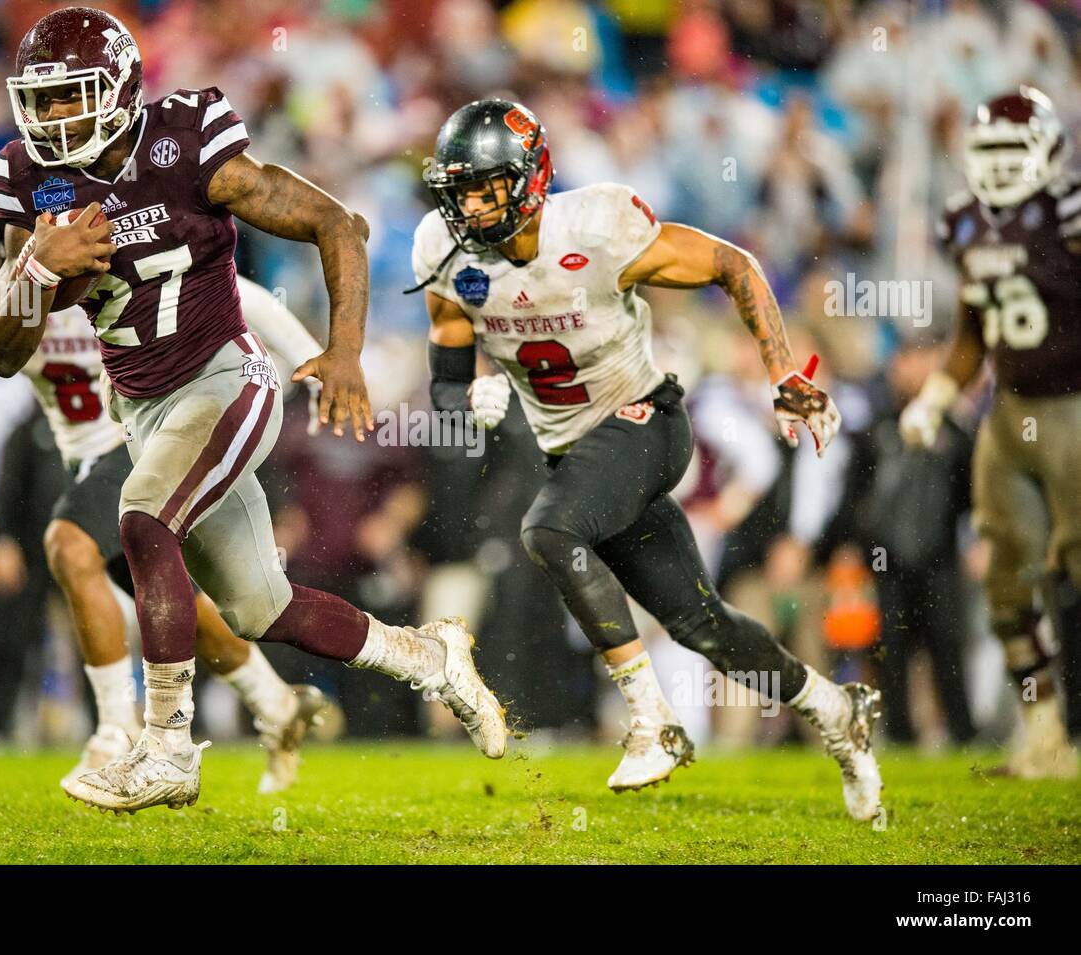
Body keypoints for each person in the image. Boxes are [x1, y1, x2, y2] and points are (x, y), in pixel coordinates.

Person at [0, 8, 507, 813]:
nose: (54, 119)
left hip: (227, 377)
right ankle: (431, 660)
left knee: (142, 518)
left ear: (119, 89)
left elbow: (338, 223)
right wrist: (32, 269)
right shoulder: (27, 183)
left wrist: (343, 352)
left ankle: (164, 746)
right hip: (148, 408)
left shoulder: (183, 140)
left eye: (71, 96)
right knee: (263, 608)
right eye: (42, 102)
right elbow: (7, 352)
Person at [413, 98, 883, 822]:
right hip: (578, 456)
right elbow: (444, 380)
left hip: (646, 422)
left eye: (487, 188)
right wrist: (465, 391)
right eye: (461, 191)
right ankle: (833, 707)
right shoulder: (444, 258)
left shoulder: (595, 228)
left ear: (531, 179)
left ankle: (651, 719)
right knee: (704, 626)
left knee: (547, 531)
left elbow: (734, 262)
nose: (471, 207)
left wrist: (782, 371)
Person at [0, 194, 330, 795]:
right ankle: (276, 704)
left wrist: (309, 360)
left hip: (140, 437)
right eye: (23, 230)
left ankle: (115, 727)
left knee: (67, 546)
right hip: (83, 460)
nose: (42, 236)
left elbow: (248, 298)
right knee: (180, 612)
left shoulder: (107, 252)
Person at [901, 86, 1080, 778]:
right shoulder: (963, 221)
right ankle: (1044, 736)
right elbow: (974, 329)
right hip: (1007, 414)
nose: (1002, 165)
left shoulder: (1068, 213)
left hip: (1073, 407)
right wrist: (939, 394)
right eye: (991, 151)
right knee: (1009, 579)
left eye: (1016, 150)